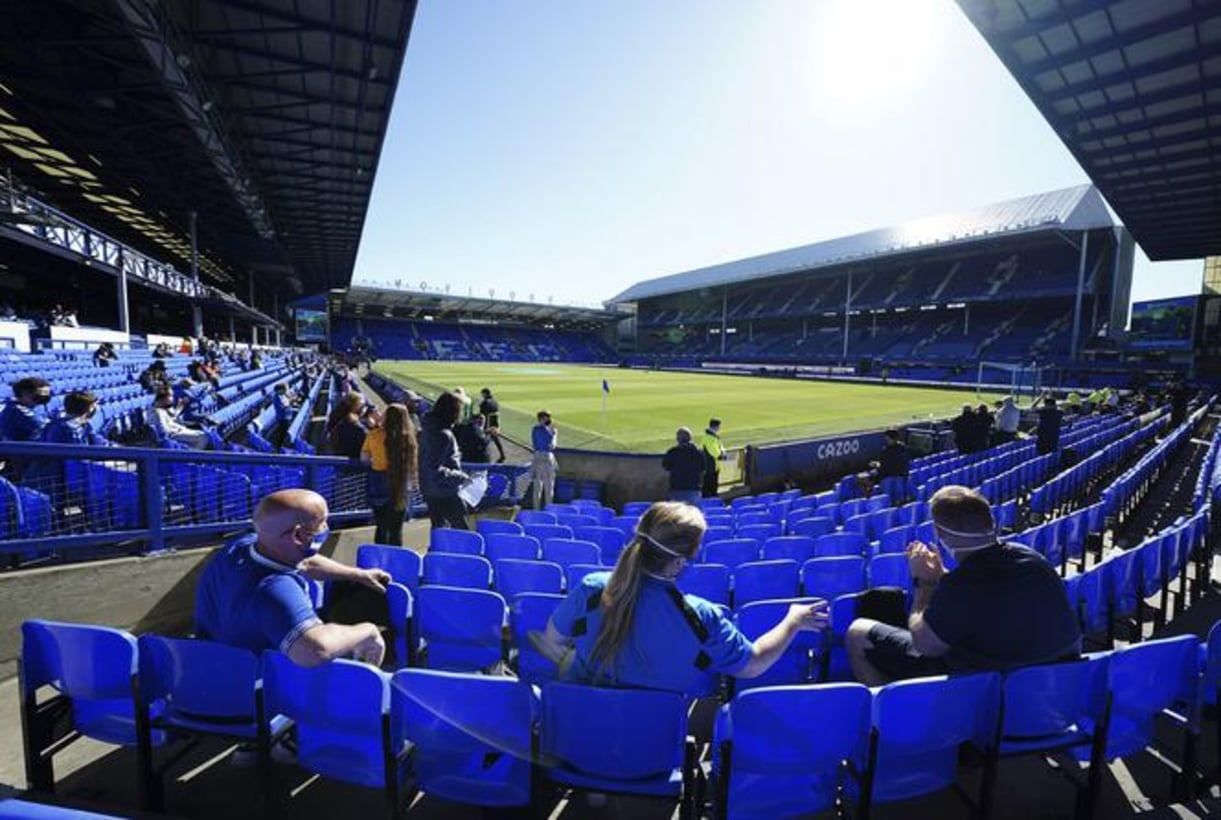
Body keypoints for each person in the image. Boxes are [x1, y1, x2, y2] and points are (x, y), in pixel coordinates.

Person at [533, 501, 829, 693]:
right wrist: (793, 621)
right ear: (679, 561)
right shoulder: (702, 616)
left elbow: (552, 639)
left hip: (576, 741)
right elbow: (753, 664)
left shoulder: (592, 588)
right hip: (652, 755)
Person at [845, 485, 1080, 685]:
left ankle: (890, 721)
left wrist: (924, 582)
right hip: (1055, 687)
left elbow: (924, 644)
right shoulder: (1033, 558)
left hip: (994, 694)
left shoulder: (963, 584)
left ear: (939, 533)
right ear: (992, 523)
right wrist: (941, 576)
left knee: (857, 632)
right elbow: (985, 597)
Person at [194, 489, 389, 667]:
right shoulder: (275, 587)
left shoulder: (241, 545)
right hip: (247, 689)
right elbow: (315, 650)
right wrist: (367, 632)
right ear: (298, 536)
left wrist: (359, 574)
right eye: (322, 522)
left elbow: (306, 562)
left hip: (205, 667)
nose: (326, 527)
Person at [361, 403, 419, 546]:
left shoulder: (374, 435)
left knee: (381, 526)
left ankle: (379, 560)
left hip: (378, 481)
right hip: (400, 483)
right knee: (395, 529)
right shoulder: (409, 439)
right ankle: (395, 563)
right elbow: (412, 467)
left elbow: (364, 458)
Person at [419, 391, 472, 530]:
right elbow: (434, 469)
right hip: (444, 493)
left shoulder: (428, 429)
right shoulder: (443, 434)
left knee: (439, 531)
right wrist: (462, 477)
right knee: (461, 535)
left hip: (431, 491)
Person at [860, 428, 909, 496]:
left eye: (887, 439)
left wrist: (876, 466)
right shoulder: (903, 449)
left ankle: (868, 497)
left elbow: (884, 468)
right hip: (900, 477)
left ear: (891, 438)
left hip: (887, 477)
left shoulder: (887, 452)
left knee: (862, 478)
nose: (886, 440)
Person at [661, 427, 704, 505]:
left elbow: (666, 466)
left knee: (677, 515)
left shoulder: (673, 452)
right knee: (693, 514)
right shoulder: (698, 452)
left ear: (678, 439)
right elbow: (703, 468)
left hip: (677, 488)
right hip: (693, 488)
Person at [529, 409, 559, 510]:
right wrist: (554, 435)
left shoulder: (535, 429)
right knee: (548, 487)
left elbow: (534, 444)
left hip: (537, 456)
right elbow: (552, 446)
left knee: (537, 487)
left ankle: (536, 509)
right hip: (546, 457)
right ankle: (548, 509)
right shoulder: (550, 431)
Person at [325, 392, 368, 459]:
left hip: (337, 458)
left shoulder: (336, 417)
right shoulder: (357, 427)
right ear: (354, 407)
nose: (363, 408)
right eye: (361, 405)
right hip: (353, 462)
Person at [699, 418, 725, 498]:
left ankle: (711, 500)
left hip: (713, 466)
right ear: (716, 426)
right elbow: (715, 453)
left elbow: (720, 447)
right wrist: (722, 455)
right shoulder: (710, 438)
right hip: (710, 466)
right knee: (710, 487)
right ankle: (710, 502)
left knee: (711, 485)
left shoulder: (713, 437)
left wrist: (723, 452)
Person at [479, 387, 506, 463]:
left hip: (487, 423)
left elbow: (482, 413)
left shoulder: (485, 403)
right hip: (495, 423)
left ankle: (484, 456)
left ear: (485, 393)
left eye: (482, 394)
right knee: (496, 439)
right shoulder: (495, 401)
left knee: (483, 439)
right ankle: (502, 454)